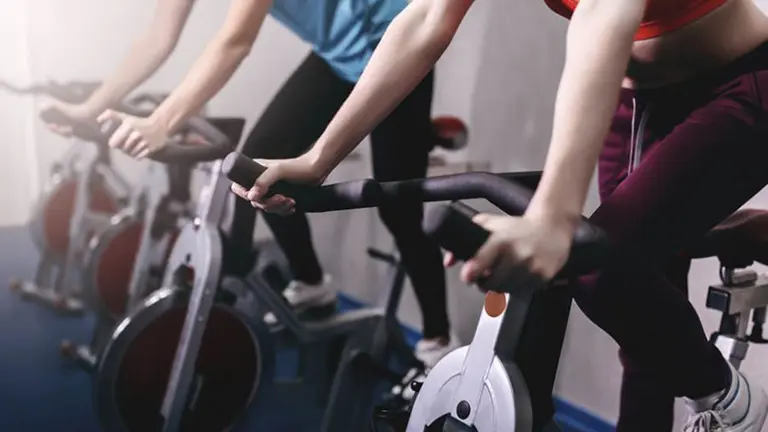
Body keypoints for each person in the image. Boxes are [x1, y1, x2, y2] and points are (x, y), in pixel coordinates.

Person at [230, 0, 768, 430]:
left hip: (741, 86)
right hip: (635, 109)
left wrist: (553, 216)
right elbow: (426, 18)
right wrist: (318, 159)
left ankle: (736, 405)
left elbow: (607, 10)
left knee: (600, 270)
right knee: (642, 312)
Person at [44, 0, 459, 368]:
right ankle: (312, 283)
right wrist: (88, 110)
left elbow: (235, 42)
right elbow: (156, 38)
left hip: (395, 45)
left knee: (399, 211)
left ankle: (438, 338)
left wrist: (161, 123)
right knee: (259, 163)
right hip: (337, 57)